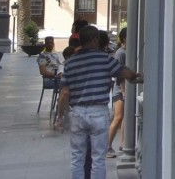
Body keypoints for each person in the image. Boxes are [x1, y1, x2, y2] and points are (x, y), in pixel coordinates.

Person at [55, 25, 142, 179]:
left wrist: (60, 117)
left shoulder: (70, 63)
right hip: (98, 113)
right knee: (98, 159)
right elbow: (126, 73)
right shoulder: (105, 59)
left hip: (78, 113)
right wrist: (136, 76)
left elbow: (65, 93)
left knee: (77, 157)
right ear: (95, 39)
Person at [106, 28, 127, 158]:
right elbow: (118, 73)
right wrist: (123, 90)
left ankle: (123, 144)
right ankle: (107, 146)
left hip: (125, 90)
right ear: (124, 38)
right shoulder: (120, 53)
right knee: (118, 117)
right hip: (120, 91)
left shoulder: (128, 51)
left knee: (125, 118)